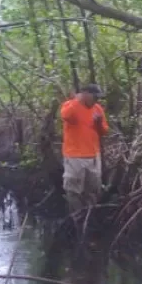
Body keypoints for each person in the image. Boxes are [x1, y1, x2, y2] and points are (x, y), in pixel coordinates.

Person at [60, 84, 109, 213]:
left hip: (93, 155)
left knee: (93, 189)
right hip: (75, 156)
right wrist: (77, 100)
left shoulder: (97, 108)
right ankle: (77, 216)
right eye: (95, 97)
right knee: (74, 190)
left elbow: (104, 130)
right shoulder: (71, 105)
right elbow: (65, 115)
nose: (97, 100)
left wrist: (98, 123)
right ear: (85, 95)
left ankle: (90, 214)